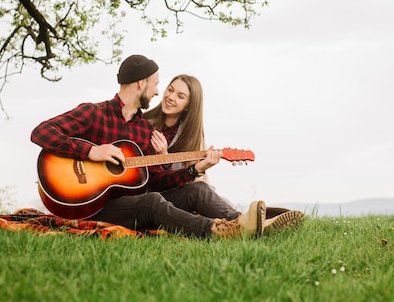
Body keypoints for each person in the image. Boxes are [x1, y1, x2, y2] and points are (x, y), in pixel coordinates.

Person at [31, 54, 265, 238]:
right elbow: (41, 132)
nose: (157, 92)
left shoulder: (144, 130)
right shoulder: (94, 113)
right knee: (152, 203)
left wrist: (196, 169)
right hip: (92, 205)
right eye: (156, 85)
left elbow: (155, 181)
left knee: (198, 190)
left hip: (130, 203)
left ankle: (248, 223)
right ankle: (215, 231)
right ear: (141, 83)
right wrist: (92, 151)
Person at [143, 74, 306, 233]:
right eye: (170, 90)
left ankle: (246, 222)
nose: (171, 97)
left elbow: (198, 185)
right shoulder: (143, 124)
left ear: (188, 105)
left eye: (180, 96)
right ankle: (253, 223)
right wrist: (162, 158)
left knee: (202, 190)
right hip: (150, 198)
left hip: (178, 198)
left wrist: (201, 168)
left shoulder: (193, 137)